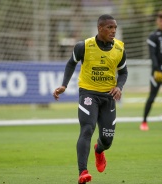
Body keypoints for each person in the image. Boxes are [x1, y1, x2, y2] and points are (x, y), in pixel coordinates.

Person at [53, 14, 128, 184]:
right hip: (88, 94)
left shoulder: (120, 49)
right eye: (110, 27)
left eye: (115, 27)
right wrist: (64, 85)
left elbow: (123, 72)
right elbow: (71, 63)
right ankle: (83, 172)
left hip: (108, 96)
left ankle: (99, 150)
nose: (113, 31)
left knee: (107, 140)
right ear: (100, 28)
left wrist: (119, 87)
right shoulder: (84, 46)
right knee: (87, 129)